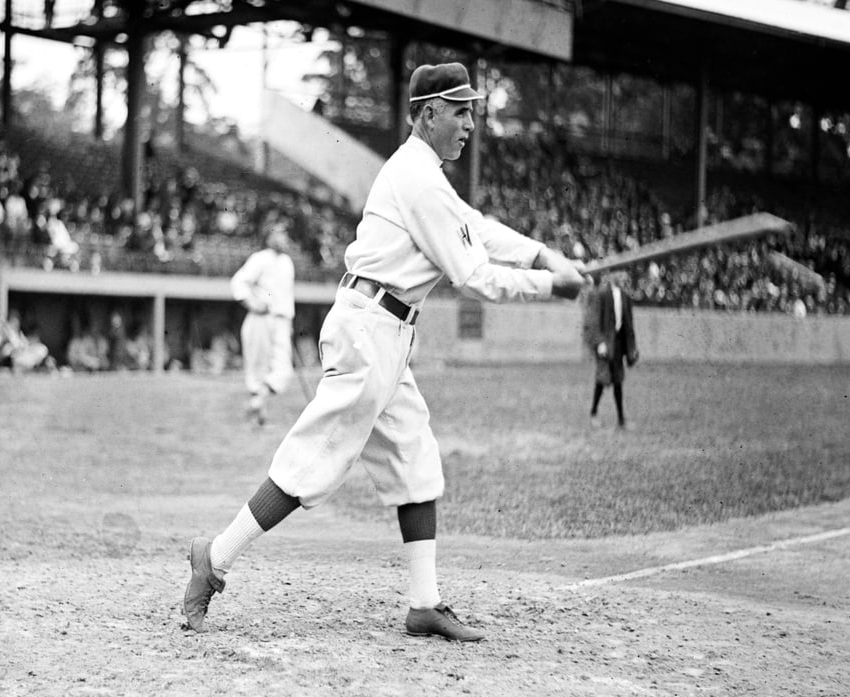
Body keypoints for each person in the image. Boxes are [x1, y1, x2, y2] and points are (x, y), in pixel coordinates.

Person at [182, 63, 586, 641]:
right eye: (459, 110)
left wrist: (543, 255)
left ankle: (424, 604)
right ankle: (214, 557)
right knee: (316, 460)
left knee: (416, 462)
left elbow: (476, 227)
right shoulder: (417, 178)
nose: (470, 122)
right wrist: (554, 286)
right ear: (427, 114)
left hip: (390, 332)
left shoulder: (427, 174)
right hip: (370, 327)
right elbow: (471, 274)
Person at [229, 219, 296, 425]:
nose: (283, 238)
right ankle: (259, 414)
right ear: (269, 236)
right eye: (279, 233)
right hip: (261, 318)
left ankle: (257, 404)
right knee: (258, 366)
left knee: (283, 368)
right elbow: (239, 282)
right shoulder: (260, 258)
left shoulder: (287, 262)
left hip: (281, 320)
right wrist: (252, 303)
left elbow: (286, 296)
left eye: (285, 234)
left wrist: (289, 323)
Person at [583, 271, 639, 429]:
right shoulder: (600, 294)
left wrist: (632, 348)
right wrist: (599, 342)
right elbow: (593, 321)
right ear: (613, 275)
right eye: (620, 273)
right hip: (605, 345)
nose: (623, 277)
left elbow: (629, 326)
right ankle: (593, 413)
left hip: (619, 345)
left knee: (618, 381)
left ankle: (621, 419)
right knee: (602, 379)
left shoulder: (625, 297)